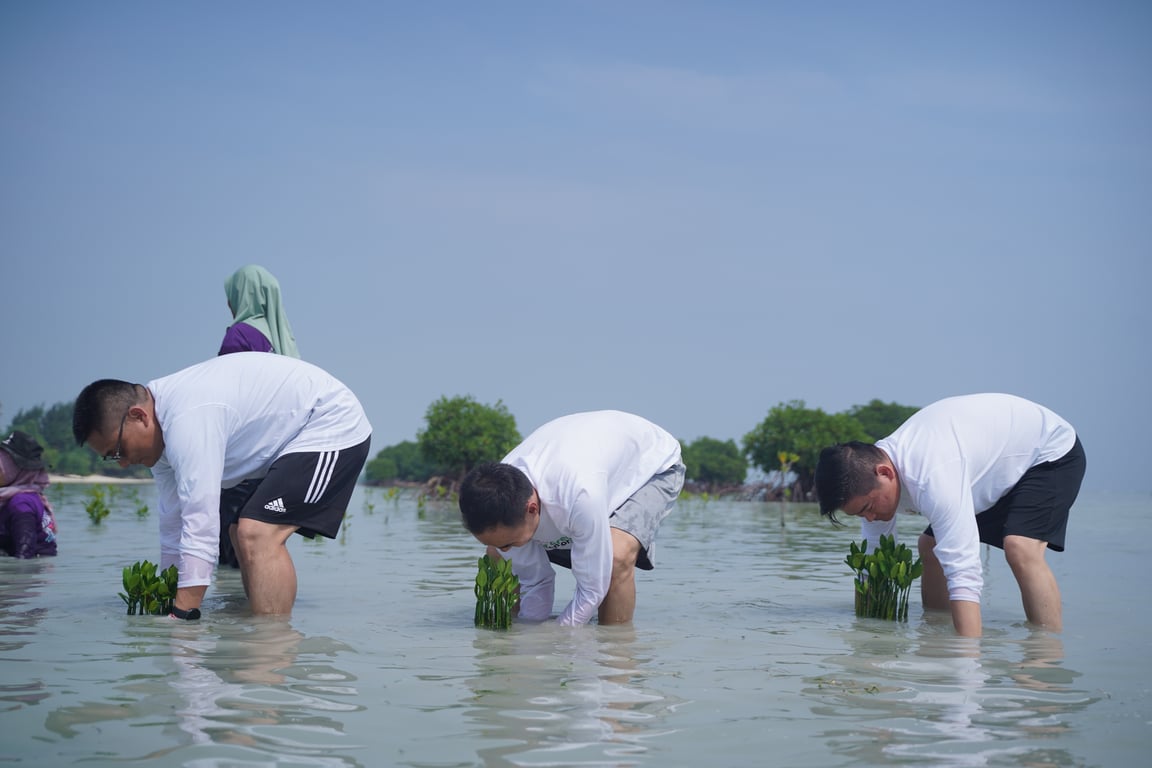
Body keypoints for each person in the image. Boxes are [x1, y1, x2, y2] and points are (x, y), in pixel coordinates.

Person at [71, 352, 372, 618]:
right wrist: (165, 597)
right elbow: (174, 525)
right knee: (236, 531)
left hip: (329, 422)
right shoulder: (161, 439)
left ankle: (274, 649)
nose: (123, 463)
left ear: (139, 416)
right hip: (288, 439)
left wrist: (183, 616)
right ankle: (257, 632)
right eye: (112, 459)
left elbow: (200, 524)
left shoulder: (187, 419)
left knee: (257, 532)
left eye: (118, 450)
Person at [813, 393, 1086, 637]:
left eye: (867, 509)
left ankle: (1047, 651)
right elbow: (873, 559)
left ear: (885, 473)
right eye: (860, 514)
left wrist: (966, 661)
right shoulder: (868, 476)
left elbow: (963, 572)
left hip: (1048, 452)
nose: (869, 519)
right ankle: (935, 634)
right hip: (991, 468)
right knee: (929, 547)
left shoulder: (932, 476)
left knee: (1019, 547)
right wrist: (868, 638)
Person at [459, 410, 684, 626]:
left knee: (616, 557)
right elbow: (536, 582)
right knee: (497, 556)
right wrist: (527, 642)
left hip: (651, 466)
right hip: (591, 470)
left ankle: (615, 656)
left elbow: (591, 590)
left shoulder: (579, 496)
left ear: (532, 508)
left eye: (509, 543)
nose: (507, 548)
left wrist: (561, 639)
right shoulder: (500, 488)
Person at [216, 265, 300, 568]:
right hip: (276, 457)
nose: (228, 303)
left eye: (231, 295)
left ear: (242, 296)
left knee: (232, 550)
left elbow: (229, 399)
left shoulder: (240, 335)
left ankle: (235, 614)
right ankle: (264, 616)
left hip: (245, 455)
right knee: (262, 546)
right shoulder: (280, 338)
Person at [218, 264, 300, 358]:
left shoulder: (238, 335)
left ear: (242, 297)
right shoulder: (284, 340)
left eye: (233, 295)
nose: (228, 304)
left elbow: (225, 370)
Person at [0, 431, 58, 558]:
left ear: (15, 469)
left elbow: (25, 555)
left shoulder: (21, 504)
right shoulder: (30, 497)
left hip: (28, 574)